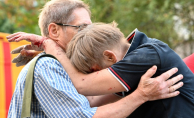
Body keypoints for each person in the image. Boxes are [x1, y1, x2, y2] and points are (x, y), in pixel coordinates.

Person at [7, 0, 183, 118]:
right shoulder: (48, 67)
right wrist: (141, 95)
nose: (88, 34)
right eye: (82, 27)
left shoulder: (59, 65)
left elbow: (91, 101)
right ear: (54, 31)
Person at [42, 22, 192, 118]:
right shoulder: (134, 63)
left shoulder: (148, 55)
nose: (96, 77)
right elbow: (93, 102)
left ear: (109, 57)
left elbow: (82, 84)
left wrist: (50, 46)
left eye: (95, 71)